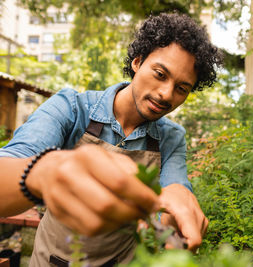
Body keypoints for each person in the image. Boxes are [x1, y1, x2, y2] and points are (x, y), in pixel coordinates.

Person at [0, 12, 223, 266]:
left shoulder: (171, 137)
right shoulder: (71, 109)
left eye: (181, 88)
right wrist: (43, 173)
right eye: (160, 74)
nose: (165, 94)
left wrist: (175, 206)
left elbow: (175, 188)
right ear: (137, 62)